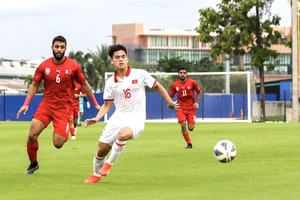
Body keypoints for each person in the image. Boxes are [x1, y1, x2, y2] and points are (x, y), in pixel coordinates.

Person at [83, 44, 179, 184]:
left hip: (136, 118)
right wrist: (97, 118)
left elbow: (157, 86)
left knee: (123, 134)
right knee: (101, 149)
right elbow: (107, 104)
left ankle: (109, 164)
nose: (121, 60)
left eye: (123, 57)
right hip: (118, 118)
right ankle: (96, 174)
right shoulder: (110, 82)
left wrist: (170, 102)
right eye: (117, 57)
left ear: (127, 58)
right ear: (112, 61)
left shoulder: (140, 74)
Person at [16, 35, 101, 175]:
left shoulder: (73, 66)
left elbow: (85, 84)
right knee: (32, 134)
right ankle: (33, 163)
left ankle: (62, 128)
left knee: (58, 143)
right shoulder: (44, 66)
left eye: (62, 47)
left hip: (63, 107)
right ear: (52, 48)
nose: (59, 49)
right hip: (47, 105)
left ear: (65, 49)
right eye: (57, 47)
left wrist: (96, 104)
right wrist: (26, 104)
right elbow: (35, 84)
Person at [169, 67, 202, 149]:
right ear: (178, 74)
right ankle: (189, 143)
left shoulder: (192, 82)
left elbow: (199, 92)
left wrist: (196, 102)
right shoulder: (174, 85)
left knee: (191, 128)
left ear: (186, 74)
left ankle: (189, 139)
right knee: (183, 124)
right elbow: (170, 96)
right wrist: (170, 104)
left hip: (191, 108)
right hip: (180, 108)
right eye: (181, 72)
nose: (182, 74)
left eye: (184, 73)